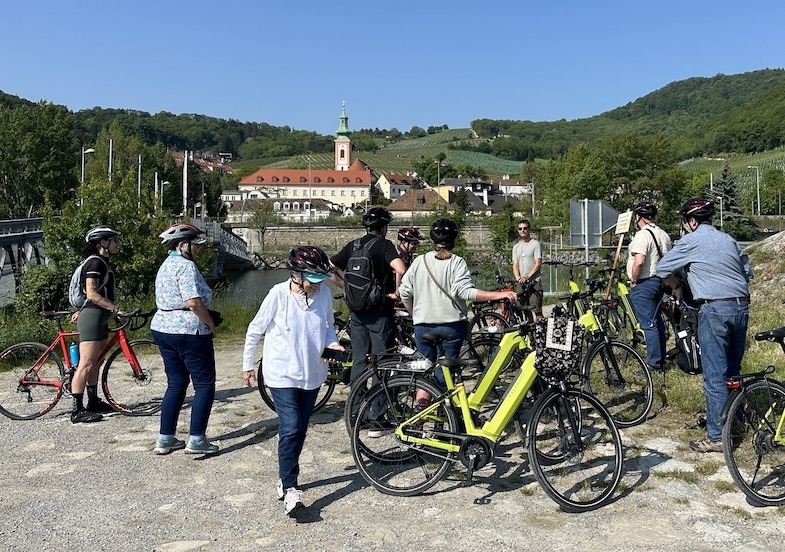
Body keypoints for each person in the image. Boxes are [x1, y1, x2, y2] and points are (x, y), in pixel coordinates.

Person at [241, 246, 343, 517]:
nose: (317, 285)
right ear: (297, 274)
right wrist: (247, 365)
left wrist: (333, 345)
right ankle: (291, 489)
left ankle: (284, 477)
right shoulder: (278, 294)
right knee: (291, 426)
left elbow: (329, 326)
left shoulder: (323, 294)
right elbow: (255, 329)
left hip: (313, 373)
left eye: (322, 279)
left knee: (300, 429)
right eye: (313, 279)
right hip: (281, 372)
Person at [656, 198, 752, 453]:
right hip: (741, 305)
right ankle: (736, 421)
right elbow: (747, 271)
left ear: (692, 221)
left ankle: (717, 437)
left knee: (714, 374)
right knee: (733, 370)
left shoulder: (691, 239)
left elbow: (661, 267)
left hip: (714, 307)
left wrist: (676, 286)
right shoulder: (728, 239)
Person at [399, 218, 517, 402]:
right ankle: (447, 411)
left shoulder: (419, 262)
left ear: (433, 240)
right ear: (454, 239)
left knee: (425, 372)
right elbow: (465, 292)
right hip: (451, 326)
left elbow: (404, 291)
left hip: (423, 326)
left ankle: (421, 413)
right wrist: (498, 295)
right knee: (446, 370)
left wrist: (414, 313)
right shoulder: (457, 262)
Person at [150, 223, 219, 456]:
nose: (198, 250)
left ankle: (165, 438)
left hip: (163, 328)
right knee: (204, 384)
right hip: (188, 331)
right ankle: (197, 439)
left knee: (176, 383)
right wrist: (209, 322)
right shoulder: (185, 266)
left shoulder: (165, 265)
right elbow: (193, 302)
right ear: (182, 245)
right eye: (195, 245)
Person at [330, 207, 406, 382]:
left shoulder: (353, 245)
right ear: (383, 227)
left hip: (357, 312)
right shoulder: (385, 245)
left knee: (360, 359)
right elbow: (400, 269)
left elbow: (329, 269)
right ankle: (378, 407)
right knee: (381, 361)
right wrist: (397, 292)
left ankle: (356, 406)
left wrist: (346, 287)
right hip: (380, 310)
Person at [70, 225, 123, 423]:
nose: (117, 244)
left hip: (99, 315)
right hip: (92, 315)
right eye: (114, 240)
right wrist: (115, 309)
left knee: (96, 362)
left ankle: (93, 401)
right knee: (86, 363)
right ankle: (77, 410)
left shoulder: (101, 262)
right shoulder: (95, 263)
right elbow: (92, 294)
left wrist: (110, 310)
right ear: (103, 242)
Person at [626, 200, 672, 372]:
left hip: (645, 283)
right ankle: (661, 358)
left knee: (648, 325)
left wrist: (634, 280)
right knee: (657, 320)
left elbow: (639, 261)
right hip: (660, 282)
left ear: (639, 217)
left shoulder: (642, 235)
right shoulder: (664, 235)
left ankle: (653, 364)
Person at [512, 219, 543, 320]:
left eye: (525, 228)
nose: (522, 231)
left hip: (534, 282)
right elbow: (515, 265)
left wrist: (527, 276)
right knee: (524, 310)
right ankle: (530, 334)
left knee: (537, 310)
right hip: (521, 282)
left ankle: (541, 331)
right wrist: (518, 278)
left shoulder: (535, 244)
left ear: (529, 230)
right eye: (520, 229)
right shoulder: (516, 247)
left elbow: (538, 263)